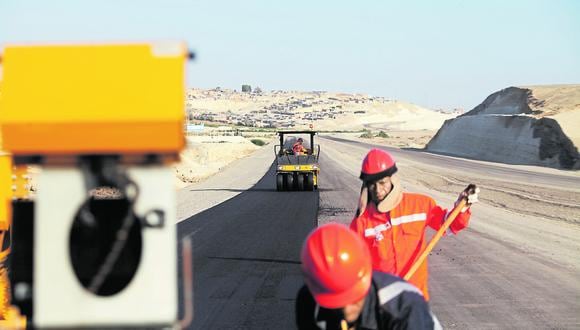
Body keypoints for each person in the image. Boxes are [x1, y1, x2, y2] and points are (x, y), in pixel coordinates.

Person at [350, 149, 479, 301]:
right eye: (372, 185)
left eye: (382, 183)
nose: (378, 190)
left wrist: (462, 207)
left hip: (415, 301)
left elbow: (449, 225)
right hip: (382, 305)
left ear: (392, 179)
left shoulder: (420, 205)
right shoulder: (361, 223)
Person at [296, 223, 441, 330]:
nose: (346, 311)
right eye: (336, 303)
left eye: (353, 299)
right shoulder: (309, 302)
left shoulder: (404, 307)